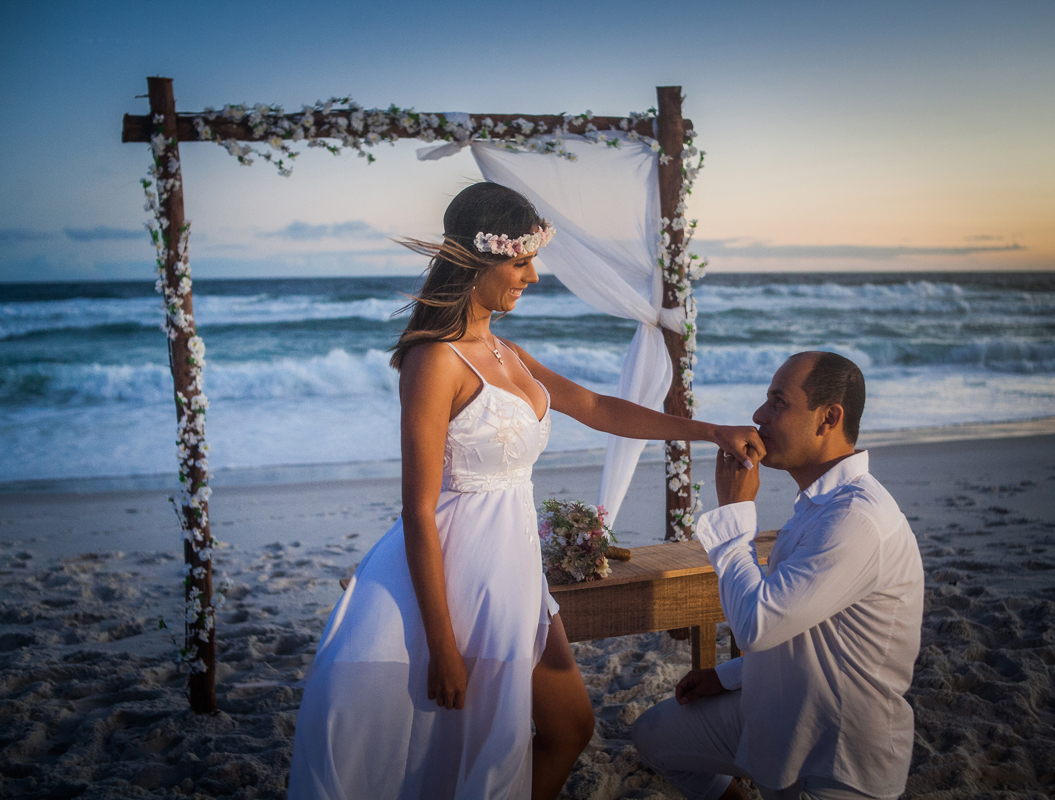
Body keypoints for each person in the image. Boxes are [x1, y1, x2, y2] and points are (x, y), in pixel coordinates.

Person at [287, 182, 766, 800]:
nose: (534, 277)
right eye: (521, 262)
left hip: (513, 567)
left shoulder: (504, 349)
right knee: (489, 745)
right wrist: (443, 645)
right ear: (479, 261)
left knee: (568, 728)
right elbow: (416, 511)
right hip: (459, 575)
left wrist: (708, 431)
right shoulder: (434, 363)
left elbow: (594, 406)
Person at [632, 352, 925, 800]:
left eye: (778, 401)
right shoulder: (821, 502)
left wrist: (734, 512)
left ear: (829, 418)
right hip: (778, 710)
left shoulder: (855, 519)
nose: (757, 415)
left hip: (836, 750)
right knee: (655, 735)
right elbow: (804, 632)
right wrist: (728, 677)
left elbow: (757, 625)